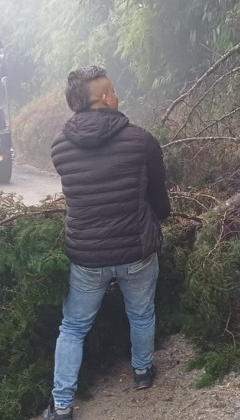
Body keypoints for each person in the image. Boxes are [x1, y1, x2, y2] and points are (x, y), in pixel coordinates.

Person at [44, 66, 171, 420]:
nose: (117, 95)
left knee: (73, 326)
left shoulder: (59, 146)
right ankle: (143, 373)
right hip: (137, 250)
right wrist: (158, 220)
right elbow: (159, 199)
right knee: (141, 313)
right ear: (103, 98)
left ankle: (62, 405)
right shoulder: (141, 140)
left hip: (86, 255)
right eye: (113, 90)